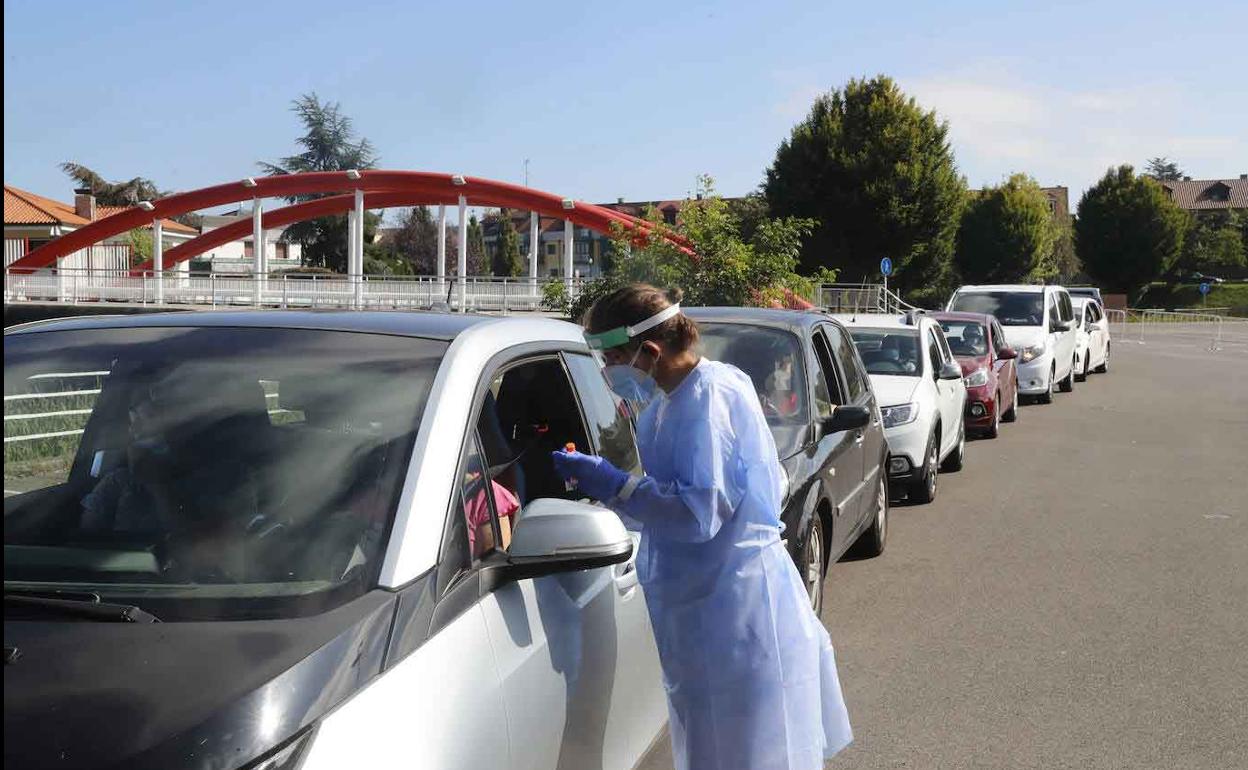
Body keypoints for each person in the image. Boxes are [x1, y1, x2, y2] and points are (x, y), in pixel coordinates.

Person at [551, 284, 852, 770]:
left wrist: (613, 485)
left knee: (751, 753)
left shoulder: (708, 399)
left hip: (736, 612)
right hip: (708, 611)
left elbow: (699, 513)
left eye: (610, 359)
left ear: (649, 351)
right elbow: (673, 495)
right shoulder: (676, 397)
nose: (607, 373)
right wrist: (611, 490)